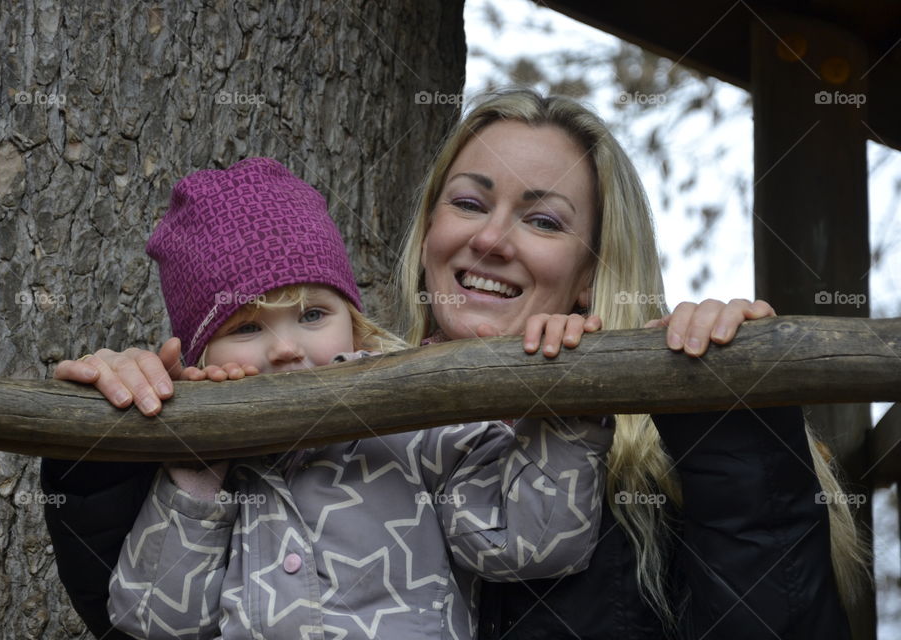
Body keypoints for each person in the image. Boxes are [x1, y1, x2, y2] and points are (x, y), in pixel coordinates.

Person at [43, 90, 863, 639]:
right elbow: (143, 619)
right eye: (469, 202)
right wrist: (115, 449)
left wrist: (727, 406)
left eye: (542, 220)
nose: (492, 239)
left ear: (591, 271)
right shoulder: (331, 417)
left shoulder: (653, 454)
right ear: (430, 230)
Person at [92, 156, 615, 639]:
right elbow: (153, 620)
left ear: (356, 327)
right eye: (248, 326)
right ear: (202, 357)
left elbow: (524, 548)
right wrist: (197, 472)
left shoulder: (418, 420)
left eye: (313, 315)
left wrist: (565, 416)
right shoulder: (221, 467)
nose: (287, 349)